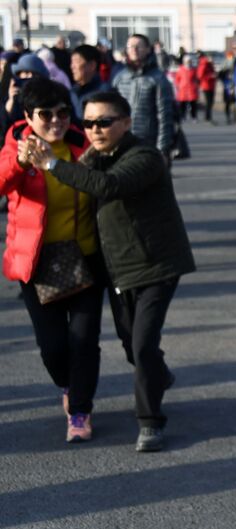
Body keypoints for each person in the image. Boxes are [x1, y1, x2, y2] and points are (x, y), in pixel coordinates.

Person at [25, 91, 196, 452]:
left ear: (126, 123)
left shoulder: (144, 156)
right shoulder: (93, 157)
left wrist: (53, 165)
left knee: (143, 342)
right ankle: (159, 376)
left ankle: (150, 422)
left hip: (156, 265)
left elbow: (109, 186)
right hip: (118, 269)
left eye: (104, 122)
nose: (95, 129)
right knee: (134, 347)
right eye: (88, 123)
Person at [0, 77, 103, 443]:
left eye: (63, 112)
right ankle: (67, 384)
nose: (57, 121)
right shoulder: (15, 145)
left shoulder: (81, 142)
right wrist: (18, 164)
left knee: (84, 340)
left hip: (87, 257)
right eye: (46, 114)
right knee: (53, 346)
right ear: (28, 115)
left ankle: (79, 410)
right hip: (36, 262)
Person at [112, 34, 175, 164]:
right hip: (122, 142)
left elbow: (165, 116)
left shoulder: (158, 78)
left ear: (147, 49)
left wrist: (163, 149)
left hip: (148, 143)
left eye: (138, 46)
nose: (134, 49)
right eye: (130, 46)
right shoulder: (119, 78)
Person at [70, 45, 109, 120]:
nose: (72, 66)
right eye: (72, 62)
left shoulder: (105, 92)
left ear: (92, 65)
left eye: (76, 62)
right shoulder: (72, 92)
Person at [174, 54, 199, 122]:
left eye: (189, 61)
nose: (188, 63)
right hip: (183, 89)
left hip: (191, 88)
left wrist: (196, 85)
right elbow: (177, 79)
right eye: (187, 61)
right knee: (182, 104)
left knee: (193, 104)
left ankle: (194, 117)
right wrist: (178, 85)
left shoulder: (193, 70)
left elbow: (196, 78)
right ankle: (183, 116)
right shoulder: (181, 69)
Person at [196, 51, 217, 122]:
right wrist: (210, 76)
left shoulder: (210, 64)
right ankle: (208, 117)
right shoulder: (204, 64)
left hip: (211, 85)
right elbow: (200, 76)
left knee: (211, 102)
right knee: (208, 102)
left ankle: (208, 116)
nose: (212, 59)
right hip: (206, 85)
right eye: (211, 57)